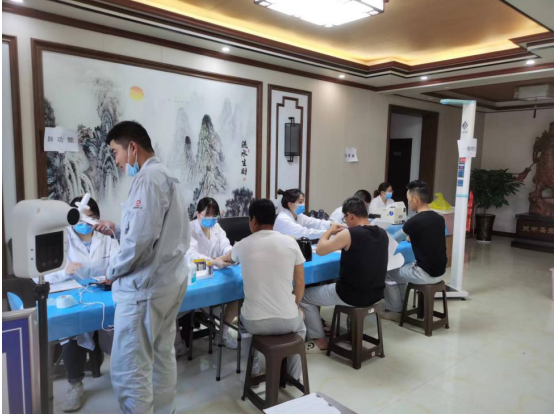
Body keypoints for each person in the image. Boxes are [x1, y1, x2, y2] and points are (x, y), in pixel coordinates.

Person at [93, 121, 190, 414]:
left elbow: (138, 244)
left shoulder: (147, 180)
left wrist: (110, 272)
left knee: (130, 369)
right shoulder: (168, 176)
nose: (117, 161)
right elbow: (150, 231)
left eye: (116, 152)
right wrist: (117, 228)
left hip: (145, 290)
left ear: (132, 147)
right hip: (169, 283)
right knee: (161, 356)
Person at [215, 199, 306, 381]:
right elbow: (300, 282)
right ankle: (293, 375)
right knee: (301, 324)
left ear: (253, 220)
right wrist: (295, 306)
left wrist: (217, 261)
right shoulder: (290, 243)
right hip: (288, 320)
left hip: (255, 322)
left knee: (243, 324)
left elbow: (225, 259)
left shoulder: (243, 244)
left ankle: (254, 370)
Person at [43, 196, 118, 412]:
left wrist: (112, 274)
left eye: (90, 218)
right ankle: (75, 385)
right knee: (73, 333)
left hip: (103, 295)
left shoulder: (107, 238)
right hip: (72, 296)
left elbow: (118, 262)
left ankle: (124, 375)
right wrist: (63, 272)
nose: (85, 223)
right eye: (80, 218)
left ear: (97, 218)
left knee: (122, 326)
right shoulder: (61, 238)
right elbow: (43, 274)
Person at [300, 197, 388, 352]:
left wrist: (330, 231)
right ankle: (341, 330)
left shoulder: (350, 233)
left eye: (345, 218)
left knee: (303, 296)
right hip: (376, 294)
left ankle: (320, 340)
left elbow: (320, 250)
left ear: (351, 215)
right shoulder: (382, 233)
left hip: (352, 295)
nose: (345, 221)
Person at [383, 180, 447, 320]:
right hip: (441, 272)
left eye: (408, 200)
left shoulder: (415, 221)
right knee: (402, 268)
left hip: (425, 274)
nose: (408, 203)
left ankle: (394, 311)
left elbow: (394, 240)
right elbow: (431, 237)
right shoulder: (439, 218)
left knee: (388, 272)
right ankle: (400, 306)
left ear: (416, 199)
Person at [184, 197, 237, 350]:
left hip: (216, 274)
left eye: (214, 215)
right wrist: (213, 261)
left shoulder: (217, 227)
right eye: (207, 214)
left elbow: (225, 245)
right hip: (195, 275)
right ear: (197, 214)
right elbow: (191, 254)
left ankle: (222, 335)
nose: (211, 218)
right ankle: (178, 343)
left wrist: (230, 255)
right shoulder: (189, 228)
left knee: (237, 294)